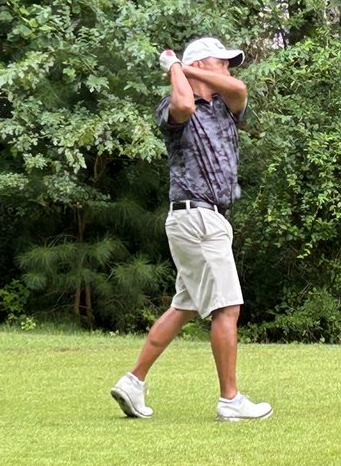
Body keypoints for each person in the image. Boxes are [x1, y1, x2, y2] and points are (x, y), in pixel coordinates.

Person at [111, 37, 272, 421]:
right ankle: (230, 400)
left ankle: (133, 382)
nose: (228, 70)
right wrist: (175, 71)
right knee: (227, 306)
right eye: (223, 63)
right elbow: (183, 103)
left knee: (184, 306)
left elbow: (240, 89)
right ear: (202, 64)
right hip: (197, 217)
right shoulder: (172, 107)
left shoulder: (224, 109)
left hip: (203, 220)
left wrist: (183, 67)